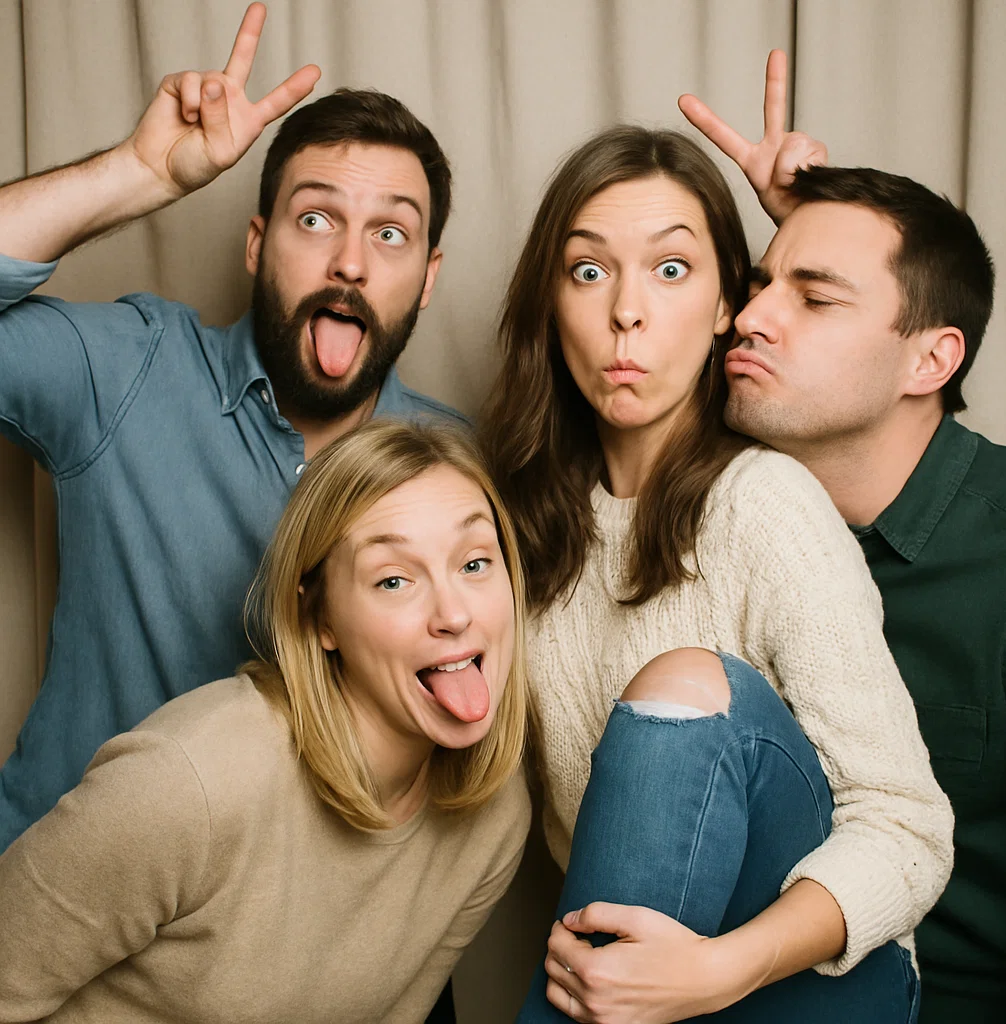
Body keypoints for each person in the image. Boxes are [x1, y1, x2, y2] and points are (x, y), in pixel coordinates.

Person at [480, 113, 953, 1021]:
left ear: (724, 307)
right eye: (589, 270)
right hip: (636, 973)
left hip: (802, 979)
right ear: (552, 304)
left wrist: (721, 969)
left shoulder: (764, 504)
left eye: (670, 269)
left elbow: (907, 829)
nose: (627, 309)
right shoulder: (519, 530)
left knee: (685, 681)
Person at [0, 3, 467, 858]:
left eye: (390, 233)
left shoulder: (459, 474)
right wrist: (136, 175)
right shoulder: (130, 371)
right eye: (317, 219)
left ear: (429, 277)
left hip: (295, 945)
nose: (350, 262)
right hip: (59, 917)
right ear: (257, 244)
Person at [682, 51, 1006, 1024]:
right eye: (755, 285)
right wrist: (806, 227)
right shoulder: (732, 518)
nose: (747, 317)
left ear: (931, 357)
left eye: (812, 297)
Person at [0, 420, 530, 1023]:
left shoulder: (497, 817)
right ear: (320, 617)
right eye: (393, 579)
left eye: (476, 563)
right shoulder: (183, 787)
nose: (454, 613)